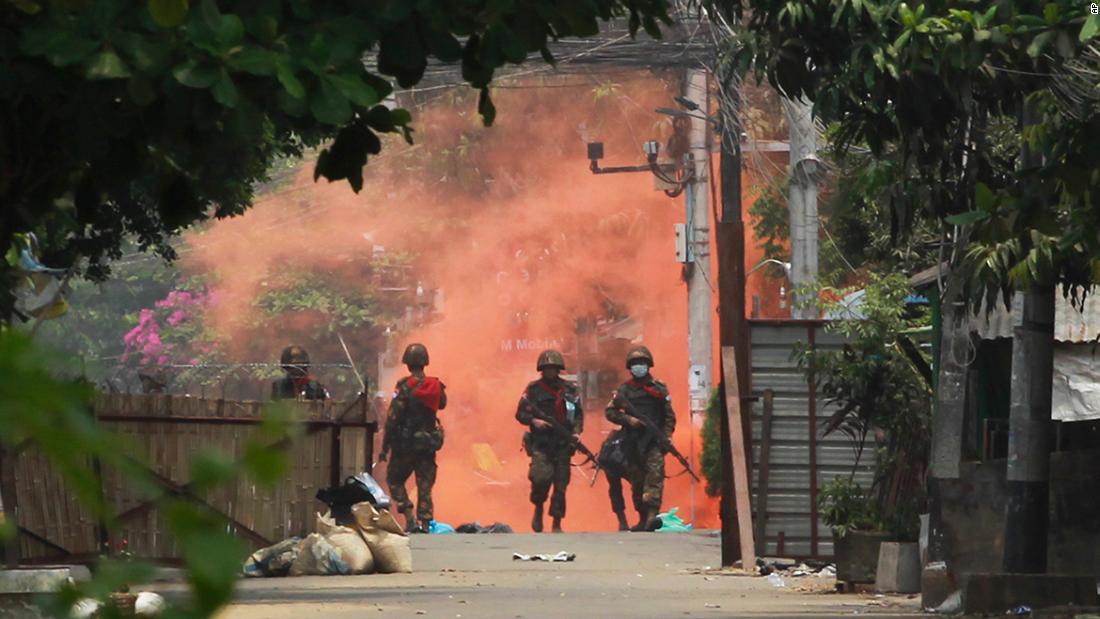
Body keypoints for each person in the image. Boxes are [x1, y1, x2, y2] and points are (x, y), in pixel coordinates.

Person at [605, 345, 676, 532]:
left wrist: (667, 436)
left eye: (642, 363)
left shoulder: (659, 388)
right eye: (635, 364)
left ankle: (652, 515)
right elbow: (610, 412)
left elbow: (669, 416)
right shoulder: (625, 390)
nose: (639, 367)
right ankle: (643, 518)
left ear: (648, 365)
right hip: (632, 442)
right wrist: (628, 419)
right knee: (637, 482)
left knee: (654, 477)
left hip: (653, 442)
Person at [378, 343, 447, 534]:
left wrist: (385, 447)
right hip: (428, 444)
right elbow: (442, 404)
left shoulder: (404, 387)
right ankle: (425, 524)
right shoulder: (436, 386)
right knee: (425, 486)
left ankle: (409, 519)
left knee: (394, 479)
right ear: (425, 362)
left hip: (405, 445)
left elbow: (393, 419)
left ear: (408, 364)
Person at [515, 349, 583, 533]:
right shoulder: (533, 389)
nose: (550, 372)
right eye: (547, 369)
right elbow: (520, 413)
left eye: (553, 368)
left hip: (562, 443)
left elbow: (578, 416)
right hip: (541, 443)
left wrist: (576, 433)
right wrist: (534, 421)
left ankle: (556, 522)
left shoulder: (570, 389)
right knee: (540, 478)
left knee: (561, 485)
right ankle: (538, 508)